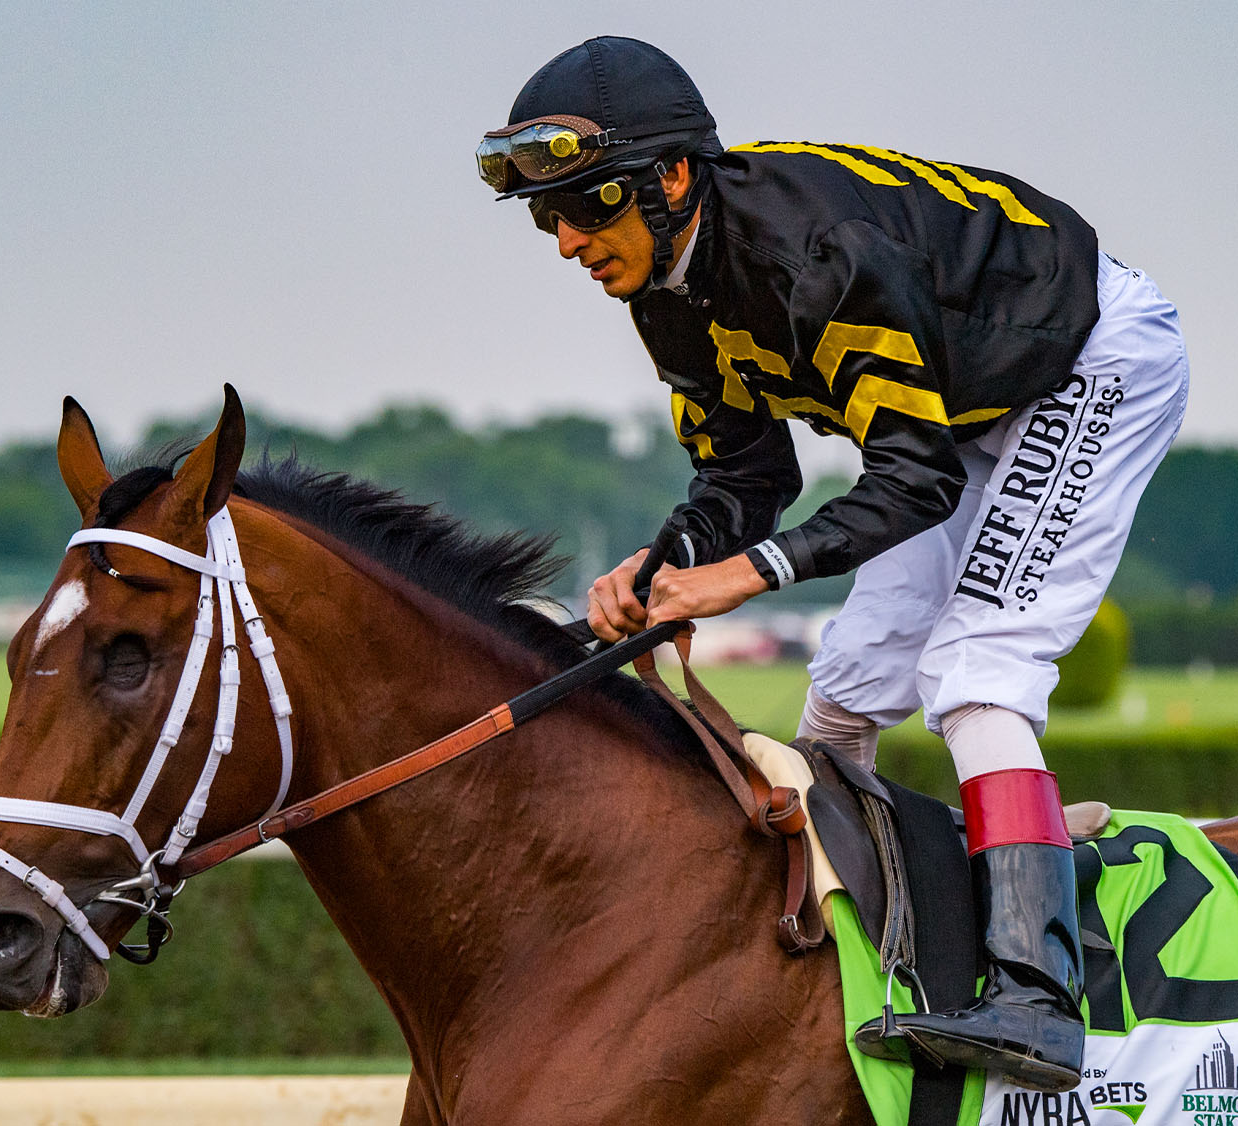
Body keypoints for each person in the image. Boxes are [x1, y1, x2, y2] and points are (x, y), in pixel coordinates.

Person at [477, 36, 1188, 1094]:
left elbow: (911, 482)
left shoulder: (816, 257)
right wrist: (662, 561)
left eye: (591, 205)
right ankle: (839, 954)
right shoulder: (665, 296)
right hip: (956, 418)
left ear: (672, 178)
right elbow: (745, 479)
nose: (571, 239)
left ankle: (1035, 998)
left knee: (978, 671)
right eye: (549, 217)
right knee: (848, 684)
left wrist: (744, 576)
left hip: (1083, 363)